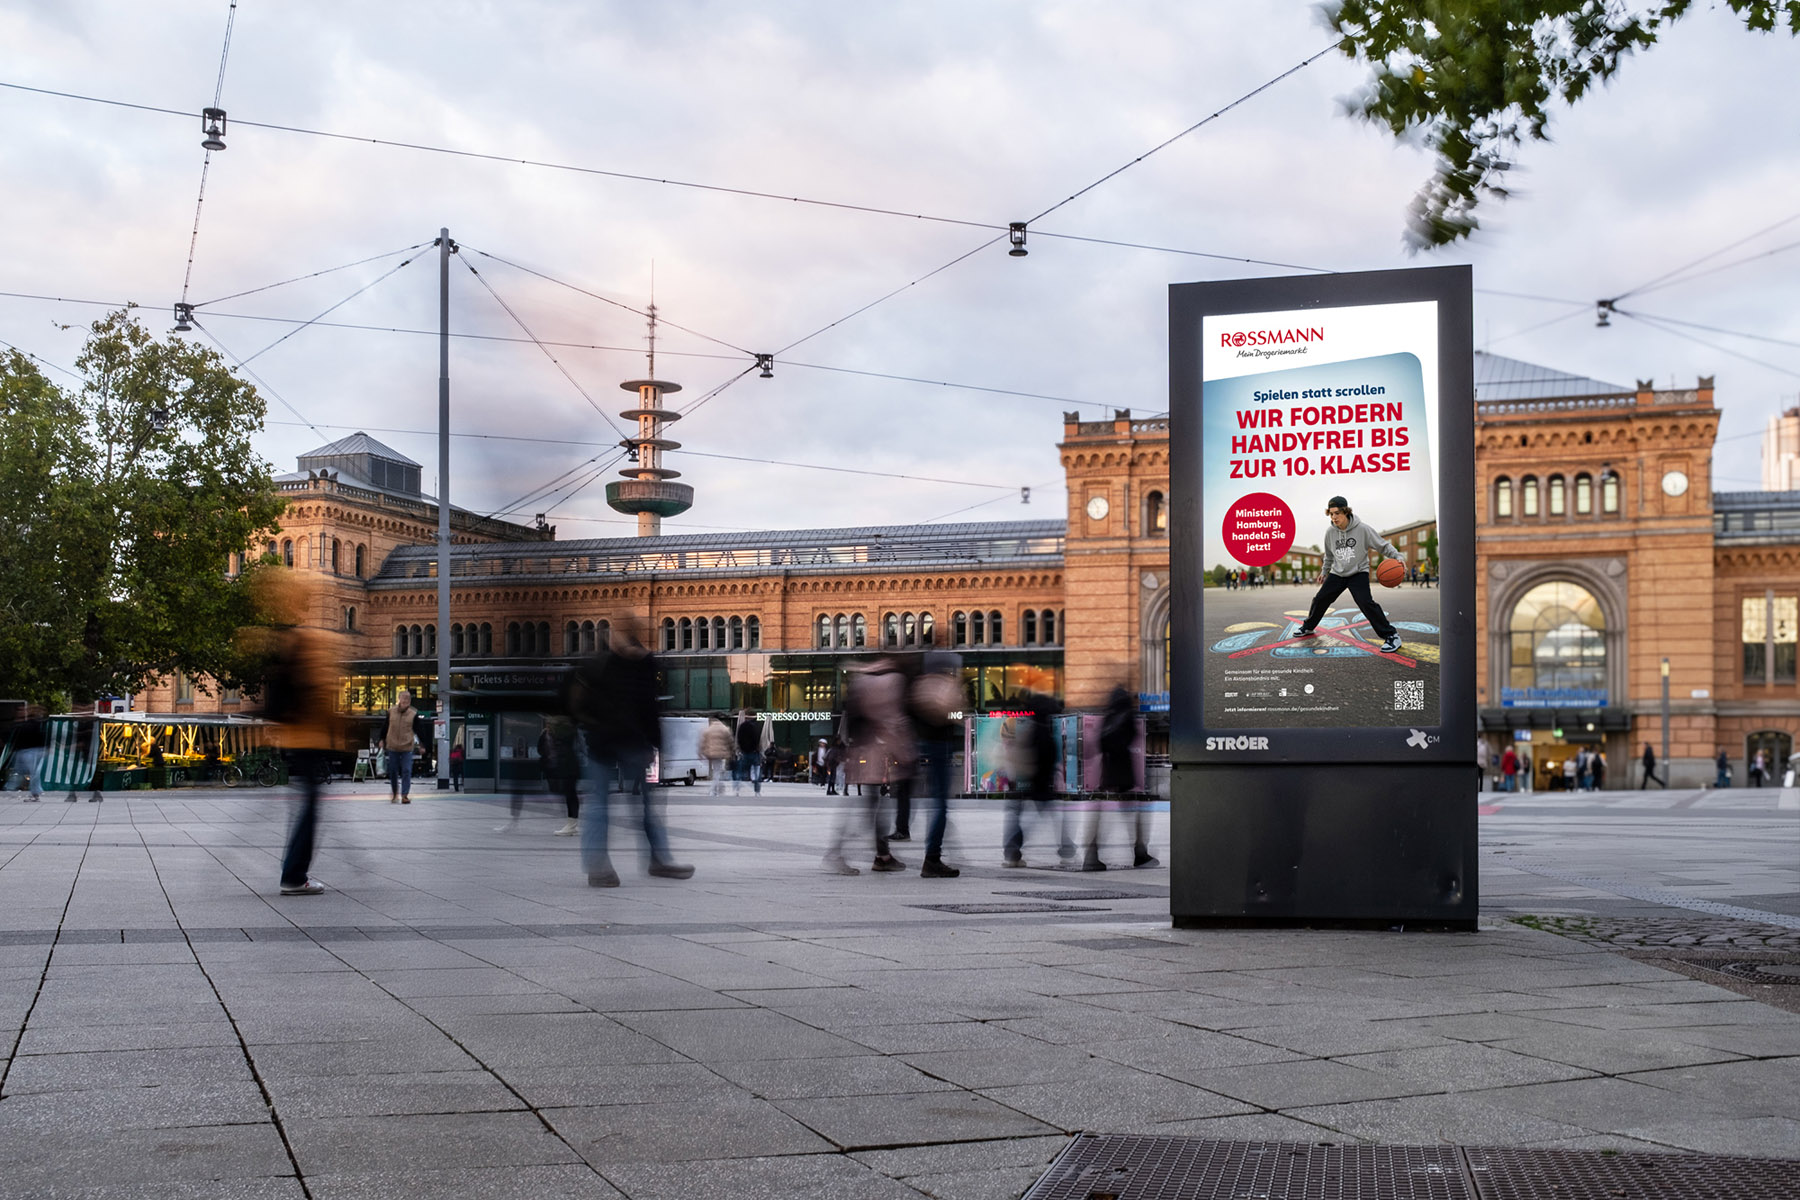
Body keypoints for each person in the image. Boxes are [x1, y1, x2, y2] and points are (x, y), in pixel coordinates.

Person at [567, 615, 692, 887]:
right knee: (603, 805)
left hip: (632, 743)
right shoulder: (601, 664)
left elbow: (650, 707)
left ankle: (656, 860)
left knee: (645, 805)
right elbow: (578, 703)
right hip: (604, 743)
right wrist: (594, 728)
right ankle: (600, 866)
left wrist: (655, 743)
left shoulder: (643, 663)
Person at [249, 568, 343, 897]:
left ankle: (293, 870)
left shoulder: (286, 638)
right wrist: (335, 730)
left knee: (307, 805)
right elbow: (320, 691)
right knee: (310, 808)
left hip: (294, 736)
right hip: (310, 736)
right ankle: (294, 874)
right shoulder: (309, 639)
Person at [826, 657, 911, 874]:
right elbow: (888, 721)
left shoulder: (862, 680)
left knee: (872, 806)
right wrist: (904, 753)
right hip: (873, 753)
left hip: (862, 752)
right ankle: (838, 854)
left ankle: (882, 856)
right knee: (869, 811)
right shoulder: (891, 681)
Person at [1293, 496, 1405, 655]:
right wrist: (1324, 572)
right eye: (1331, 514)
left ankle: (1391, 635)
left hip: (1358, 572)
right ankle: (1308, 627)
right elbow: (1329, 556)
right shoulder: (1330, 532)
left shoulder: (1363, 529)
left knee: (1365, 603)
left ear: (1346, 512)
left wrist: (1398, 557)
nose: (1334, 517)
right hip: (1338, 572)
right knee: (1320, 599)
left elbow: (1383, 546)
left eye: (1337, 513)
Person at [1081, 684, 1157, 871]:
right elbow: (1129, 739)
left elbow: (1100, 743)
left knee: (1103, 811)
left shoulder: (1109, 716)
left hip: (1108, 770)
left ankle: (1092, 852)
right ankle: (1140, 852)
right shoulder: (1127, 715)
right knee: (1135, 809)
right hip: (1123, 771)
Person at [909, 650, 964, 878]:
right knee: (940, 804)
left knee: (936, 802)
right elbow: (954, 713)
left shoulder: (920, 685)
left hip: (925, 745)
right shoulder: (942, 686)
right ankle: (932, 858)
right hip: (940, 745)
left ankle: (933, 855)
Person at [1002, 693, 1069, 868]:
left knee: (1022, 817)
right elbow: (1049, 757)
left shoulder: (1029, 729)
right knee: (1050, 818)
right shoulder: (1043, 731)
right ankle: (1067, 851)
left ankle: (1012, 853)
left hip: (1026, 780)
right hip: (1040, 783)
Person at [378, 689, 422, 803]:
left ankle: (404, 795)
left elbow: (419, 730)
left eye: (408, 698)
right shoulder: (391, 711)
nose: (406, 700)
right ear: (399, 699)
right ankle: (394, 793)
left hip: (407, 747)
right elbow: (385, 726)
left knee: (406, 770)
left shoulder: (413, 714)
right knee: (393, 771)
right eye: (404, 698)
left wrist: (422, 745)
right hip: (392, 746)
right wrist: (381, 739)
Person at [9, 706, 47, 802]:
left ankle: (34, 793)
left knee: (31, 772)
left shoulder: (30, 723)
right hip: (27, 750)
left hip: (30, 750)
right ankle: (13, 787)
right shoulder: (28, 723)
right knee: (25, 771)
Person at [699, 717, 735, 796]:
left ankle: (715, 789)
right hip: (721, 753)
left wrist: (701, 753)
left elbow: (703, 742)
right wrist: (732, 751)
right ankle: (714, 789)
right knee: (717, 772)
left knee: (716, 771)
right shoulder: (725, 729)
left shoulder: (708, 730)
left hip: (711, 753)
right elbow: (730, 741)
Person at [733, 709, 762, 796]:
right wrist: (756, 747)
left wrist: (742, 748)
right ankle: (757, 791)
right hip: (754, 752)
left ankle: (737, 790)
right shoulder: (757, 726)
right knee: (756, 772)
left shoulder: (742, 726)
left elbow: (739, 738)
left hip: (744, 752)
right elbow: (757, 739)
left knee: (740, 771)